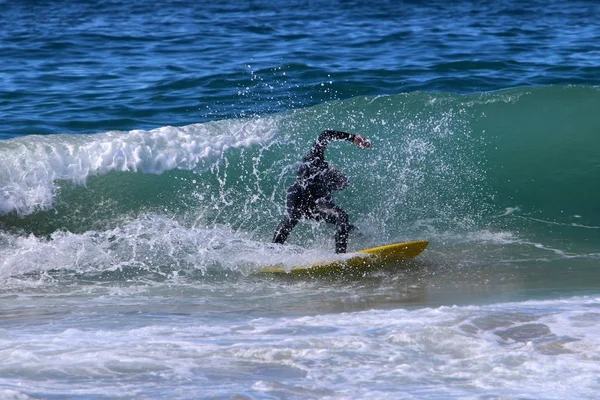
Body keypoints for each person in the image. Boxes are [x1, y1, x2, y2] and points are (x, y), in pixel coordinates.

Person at [273, 130, 371, 253]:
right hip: (296, 196)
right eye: (338, 176)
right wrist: (353, 138)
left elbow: (331, 212)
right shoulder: (316, 162)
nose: (340, 177)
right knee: (292, 217)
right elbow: (325, 135)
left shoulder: (325, 192)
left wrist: (354, 230)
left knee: (342, 217)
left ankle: (340, 256)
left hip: (313, 207)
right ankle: (273, 250)